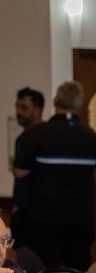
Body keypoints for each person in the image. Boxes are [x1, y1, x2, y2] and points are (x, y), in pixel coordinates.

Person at [11, 80, 96, 271]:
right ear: (79, 104)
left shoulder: (38, 134)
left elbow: (19, 171)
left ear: (55, 102)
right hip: (80, 219)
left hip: (44, 221)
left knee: (43, 272)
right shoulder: (91, 136)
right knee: (78, 272)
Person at [10, 86, 43, 214]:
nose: (18, 112)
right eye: (17, 107)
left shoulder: (45, 138)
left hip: (39, 209)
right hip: (22, 208)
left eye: (24, 108)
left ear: (37, 111)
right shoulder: (20, 139)